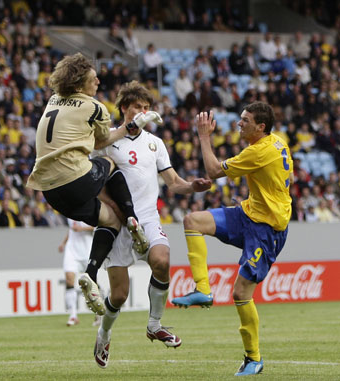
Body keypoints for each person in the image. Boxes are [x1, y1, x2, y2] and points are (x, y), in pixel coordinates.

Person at [26, 53, 162, 315]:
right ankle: (133, 219)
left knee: (110, 220)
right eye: (92, 78)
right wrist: (132, 126)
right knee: (110, 162)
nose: (98, 81)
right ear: (79, 83)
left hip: (49, 190)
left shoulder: (53, 100)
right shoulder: (95, 107)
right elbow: (102, 142)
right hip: (74, 179)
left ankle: (90, 274)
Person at [92, 81, 212, 368]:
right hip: (118, 224)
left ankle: (155, 324)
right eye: (137, 108)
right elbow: (95, 182)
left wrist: (192, 186)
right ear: (124, 108)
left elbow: (172, 182)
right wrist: (111, 209)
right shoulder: (107, 140)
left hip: (146, 218)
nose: (143, 113)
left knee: (162, 259)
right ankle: (104, 333)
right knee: (119, 295)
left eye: (146, 108)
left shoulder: (155, 143)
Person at [171, 102, 294, 376]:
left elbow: (214, 171)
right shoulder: (279, 144)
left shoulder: (259, 151)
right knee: (192, 221)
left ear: (260, 127)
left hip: (267, 231)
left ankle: (254, 358)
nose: (239, 123)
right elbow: (288, 177)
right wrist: (265, 197)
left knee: (240, 293)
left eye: (245, 120)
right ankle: (203, 290)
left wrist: (204, 136)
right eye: (240, 119)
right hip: (249, 213)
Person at [58, 218, 98, 326]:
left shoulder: (88, 207)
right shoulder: (70, 210)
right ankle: (73, 315)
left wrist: (81, 228)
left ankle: (99, 313)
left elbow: (97, 226)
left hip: (87, 250)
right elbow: (72, 229)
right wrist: (64, 243)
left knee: (91, 283)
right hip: (72, 249)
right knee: (69, 279)